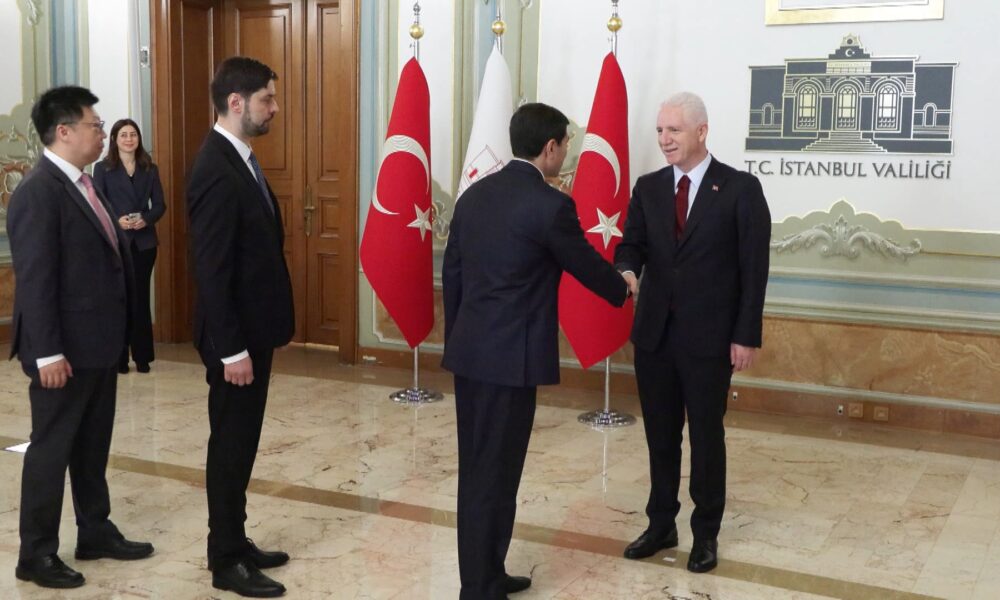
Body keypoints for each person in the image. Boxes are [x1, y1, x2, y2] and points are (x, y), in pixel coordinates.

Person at [442, 102, 631, 599]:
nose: (567, 153)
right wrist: (623, 287)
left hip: (471, 354)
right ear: (550, 147)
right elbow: (584, 264)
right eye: (566, 145)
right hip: (511, 362)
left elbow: (452, 274)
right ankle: (478, 586)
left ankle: (488, 571)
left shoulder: (473, 195)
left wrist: (462, 338)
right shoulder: (549, 205)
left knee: (480, 469)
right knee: (496, 472)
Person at [615, 92, 771, 573]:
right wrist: (626, 270)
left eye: (674, 130)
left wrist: (745, 335)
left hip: (710, 340)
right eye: (660, 131)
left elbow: (754, 269)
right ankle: (661, 524)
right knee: (660, 438)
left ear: (701, 132)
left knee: (706, 439)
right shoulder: (648, 187)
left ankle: (706, 534)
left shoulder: (740, 189)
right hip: (655, 337)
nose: (664, 139)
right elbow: (631, 244)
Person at [7, 86, 154, 590]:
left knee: (92, 446)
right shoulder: (39, 191)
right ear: (64, 131)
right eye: (95, 124)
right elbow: (36, 280)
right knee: (51, 451)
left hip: (98, 344)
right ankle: (36, 553)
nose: (102, 132)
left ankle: (94, 530)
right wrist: (48, 352)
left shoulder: (86, 183)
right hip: (63, 350)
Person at [186, 56, 294, 598]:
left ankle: (236, 538)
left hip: (254, 331)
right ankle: (225, 559)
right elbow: (212, 269)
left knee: (243, 442)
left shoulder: (241, 158)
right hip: (235, 342)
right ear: (236, 102)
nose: (274, 108)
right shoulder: (214, 167)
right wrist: (230, 350)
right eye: (266, 99)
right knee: (230, 445)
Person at [93, 118, 166, 374]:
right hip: (117, 243)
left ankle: (143, 357)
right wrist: (116, 221)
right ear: (114, 139)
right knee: (119, 300)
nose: (128, 139)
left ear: (138, 139)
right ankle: (119, 358)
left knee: (140, 299)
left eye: (133, 134)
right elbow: (97, 204)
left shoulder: (150, 168)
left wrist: (145, 219)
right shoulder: (102, 168)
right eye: (123, 135)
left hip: (144, 244)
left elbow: (160, 205)